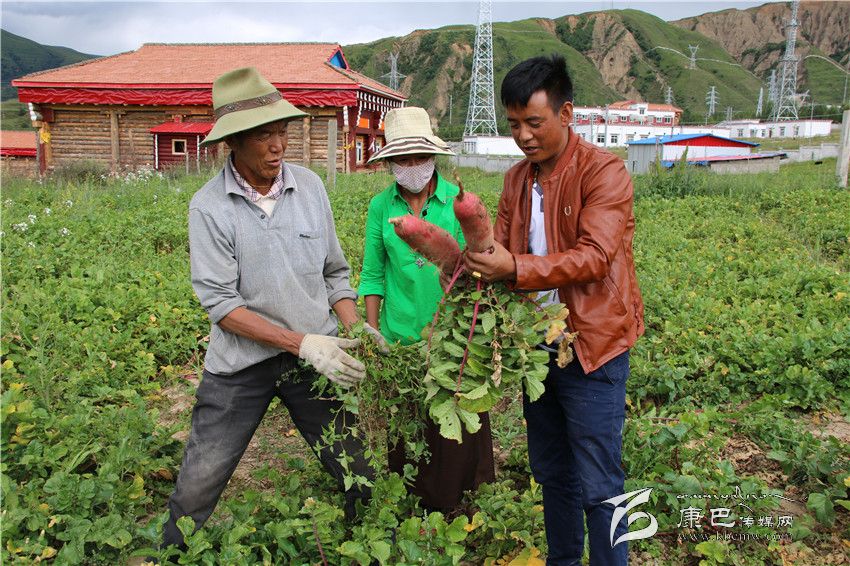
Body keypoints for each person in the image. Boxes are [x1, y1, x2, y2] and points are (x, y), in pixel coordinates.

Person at [160, 67, 383, 551]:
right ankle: (171, 554)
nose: (278, 145)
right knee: (200, 479)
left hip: (315, 356)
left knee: (358, 467)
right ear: (233, 142)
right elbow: (222, 306)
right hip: (242, 364)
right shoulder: (209, 207)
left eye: (282, 131)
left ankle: (371, 543)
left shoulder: (310, 187)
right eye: (264, 136)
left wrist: (353, 328)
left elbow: (334, 273)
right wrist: (301, 343)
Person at [464, 55, 644, 565]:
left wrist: (514, 267)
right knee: (552, 473)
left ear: (566, 113)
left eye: (534, 122)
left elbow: (595, 257)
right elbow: (499, 247)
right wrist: (468, 263)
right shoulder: (516, 180)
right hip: (537, 351)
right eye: (514, 124)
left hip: (592, 346)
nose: (523, 136)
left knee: (600, 482)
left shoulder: (604, 171)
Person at [359, 106, 495, 513]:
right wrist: (372, 332)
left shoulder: (458, 202)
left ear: (433, 156)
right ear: (390, 162)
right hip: (401, 337)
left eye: (420, 157)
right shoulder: (381, 207)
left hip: (454, 338)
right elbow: (372, 274)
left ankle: (462, 505)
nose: (413, 166)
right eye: (403, 158)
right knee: (411, 429)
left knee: (457, 429)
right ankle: (415, 507)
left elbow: (478, 267)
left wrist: (471, 328)